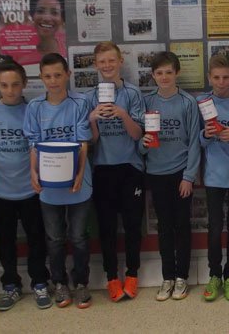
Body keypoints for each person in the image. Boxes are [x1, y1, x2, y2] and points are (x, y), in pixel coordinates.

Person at [0, 60, 51, 310]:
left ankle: (40, 282)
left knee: (36, 238)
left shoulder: (33, 109)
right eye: (4, 85)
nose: (10, 90)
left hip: (32, 188)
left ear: (25, 84)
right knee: (6, 240)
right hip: (0, 190)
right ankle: (11, 285)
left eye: (15, 85)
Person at [23, 53, 93, 308]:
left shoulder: (80, 103)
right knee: (54, 238)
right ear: (41, 78)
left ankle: (82, 284)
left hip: (78, 183)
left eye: (58, 75)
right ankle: (60, 283)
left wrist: (80, 173)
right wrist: (33, 172)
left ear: (68, 75)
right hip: (48, 185)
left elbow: (83, 142)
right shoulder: (34, 107)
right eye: (47, 76)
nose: (53, 81)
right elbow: (33, 143)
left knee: (78, 237)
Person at [139, 51, 201, 301]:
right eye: (159, 73)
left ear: (177, 73)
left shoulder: (187, 102)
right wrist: (143, 144)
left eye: (168, 72)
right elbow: (140, 142)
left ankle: (181, 277)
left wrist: (189, 176)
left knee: (182, 226)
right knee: (163, 227)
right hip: (156, 173)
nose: (164, 77)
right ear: (153, 75)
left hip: (180, 174)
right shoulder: (147, 102)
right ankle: (167, 277)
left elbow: (195, 142)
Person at [88, 41, 145, 302]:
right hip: (103, 169)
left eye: (111, 60)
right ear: (96, 65)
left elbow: (138, 135)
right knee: (107, 228)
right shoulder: (91, 97)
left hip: (130, 169)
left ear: (120, 61)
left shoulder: (133, 94)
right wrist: (93, 120)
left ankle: (132, 275)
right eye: (102, 62)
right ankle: (112, 277)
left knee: (133, 226)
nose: (107, 66)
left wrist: (122, 114)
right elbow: (92, 142)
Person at [197, 54, 229, 302]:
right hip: (214, 176)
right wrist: (206, 134)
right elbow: (197, 141)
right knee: (215, 228)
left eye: (225, 77)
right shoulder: (203, 102)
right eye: (216, 77)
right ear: (209, 78)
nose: (221, 82)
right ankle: (214, 274)